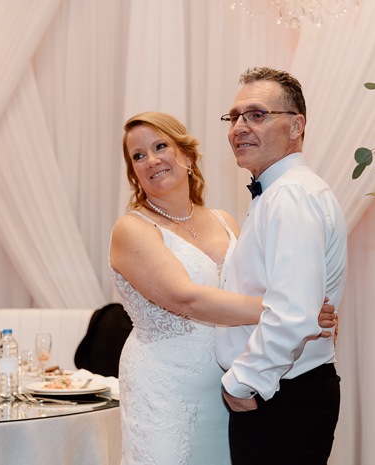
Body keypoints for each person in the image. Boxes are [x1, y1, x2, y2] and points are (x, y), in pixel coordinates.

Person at [109, 111, 336, 465]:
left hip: (229, 383)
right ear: (133, 172)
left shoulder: (224, 220)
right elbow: (187, 298)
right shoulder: (131, 229)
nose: (151, 160)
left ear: (186, 155)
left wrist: (300, 305)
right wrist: (293, 309)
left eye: (160, 146)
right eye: (138, 156)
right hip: (166, 391)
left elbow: (261, 284)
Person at [216, 67, 348, 465]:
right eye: (234, 116)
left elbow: (292, 313)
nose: (239, 127)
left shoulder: (290, 196)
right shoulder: (278, 194)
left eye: (256, 114)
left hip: (279, 398)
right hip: (285, 392)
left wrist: (243, 382)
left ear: (296, 126)